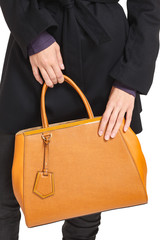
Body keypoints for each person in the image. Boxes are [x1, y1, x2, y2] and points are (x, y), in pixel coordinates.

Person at [0, 0, 159, 239]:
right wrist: (35, 36)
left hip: (104, 58)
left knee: (86, 202)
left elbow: (149, 7)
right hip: (35, 48)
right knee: (4, 192)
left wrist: (129, 81)